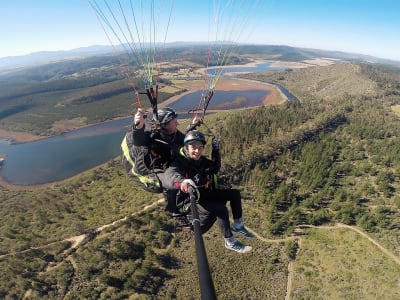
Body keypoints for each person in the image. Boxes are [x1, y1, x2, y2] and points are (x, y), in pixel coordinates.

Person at [161, 130, 253, 253]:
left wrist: (216, 151)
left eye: (200, 147)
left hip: (202, 194)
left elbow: (214, 168)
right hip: (189, 202)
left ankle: (238, 225)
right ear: (186, 147)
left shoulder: (201, 161)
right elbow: (168, 177)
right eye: (193, 147)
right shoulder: (179, 163)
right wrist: (182, 182)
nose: (197, 151)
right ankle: (230, 241)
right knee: (220, 209)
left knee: (234, 194)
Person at [121, 107, 186, 210]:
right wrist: (138, 126)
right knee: (164, 184)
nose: (178, 123)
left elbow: (183, 140)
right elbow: (138, 140)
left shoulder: (173, 133)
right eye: (174, 122)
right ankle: (175, 210)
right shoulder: (150, 134)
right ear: (164, 124)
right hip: (142, 169)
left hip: (161, 159)